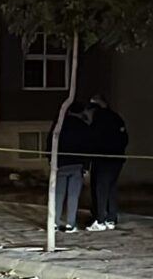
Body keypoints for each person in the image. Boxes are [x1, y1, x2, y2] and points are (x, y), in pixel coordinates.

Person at [48, 102, 92, 233]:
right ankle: (70, 224)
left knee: (58, 194)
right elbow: (87, 147)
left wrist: (51, 160)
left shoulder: (59, 125)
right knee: (73, 195)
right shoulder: (83, 127)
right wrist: (86, 166)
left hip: (61, 164)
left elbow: (50, 141)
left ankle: (54, 223)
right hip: (77, 164)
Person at [86, 94, 128, 231]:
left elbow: (93, 138)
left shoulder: (99, 119)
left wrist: (92, 156)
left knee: (101, 189)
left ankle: (100, 220)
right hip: (116, 159)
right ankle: (111, 218)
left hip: (103, 159)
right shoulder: (116, 118)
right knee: (110, 188)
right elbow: (124, 138)